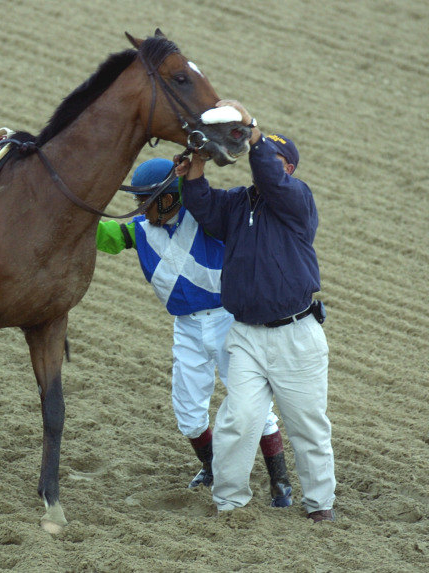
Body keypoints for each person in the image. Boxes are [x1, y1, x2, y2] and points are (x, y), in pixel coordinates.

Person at [96, 158, 293, 507]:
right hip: (186, 327)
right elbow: (104, 236)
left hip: (230, 321)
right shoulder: (140, 230)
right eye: (137, 200)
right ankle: (211, 467)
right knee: (187, 411)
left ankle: (280, 480)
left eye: (146, 199)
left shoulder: (207, 218)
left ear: (170, 197)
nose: (140, 207)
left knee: (251, 404)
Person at [175, 101, 336, 522]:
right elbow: (204, 206)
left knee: (308, 429)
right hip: (245, 334)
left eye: (275, 161)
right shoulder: (237, 204)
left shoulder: (296, 201)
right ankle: (230, 502)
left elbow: (267, 174)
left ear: (288, 170)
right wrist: (195, 164)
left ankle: (320, 505)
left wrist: (253, 131)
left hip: (295, 336)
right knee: (237, 421)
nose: (265, 166)